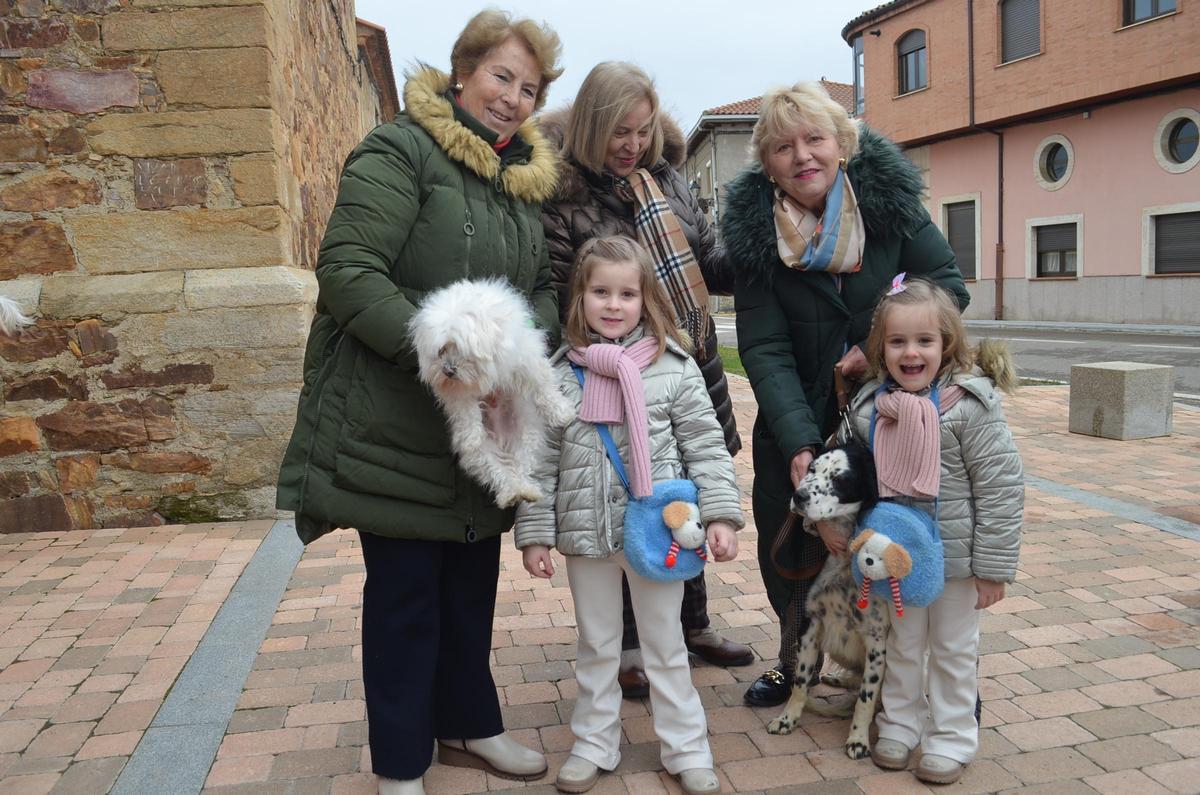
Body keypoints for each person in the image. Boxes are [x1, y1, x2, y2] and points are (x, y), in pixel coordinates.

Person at [274, 10, 563, 795]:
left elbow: (540, 286)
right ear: (464, 71)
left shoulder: (518, 184)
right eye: (502, 76)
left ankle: (469, 721)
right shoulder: (399, 150)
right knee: (405, 597)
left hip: (481, 424)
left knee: (470, 583)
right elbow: (349, 268)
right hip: (397, 415)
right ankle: (401, 763)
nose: (512, 97)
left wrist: (514, 352)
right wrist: (446, 356)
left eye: (528, 88)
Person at [719, 81, 970, 707]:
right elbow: (764, 346)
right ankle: (793, 661)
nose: (802, 156)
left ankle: (904, 677)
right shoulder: (755, 236)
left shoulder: (887, 204)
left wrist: (875, 343)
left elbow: (947, 284)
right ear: (767, 162)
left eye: (815, 139)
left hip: (887, 410)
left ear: (842, 144)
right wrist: (799, 441)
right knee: (791, 537)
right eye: (783, 146)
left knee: (891, 536)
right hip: (798, 406)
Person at [540, 62, 752, 697]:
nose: (632, 145)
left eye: (641, 130)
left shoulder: (669, 180)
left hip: (689, 366)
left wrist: (757, 242)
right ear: (590, 127)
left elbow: (709, 264)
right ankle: (633, 644)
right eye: (618, 132)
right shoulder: (562, 196)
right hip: (611, 375)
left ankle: (693, 625)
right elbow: (562, 294)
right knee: (628, 495)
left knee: (683, 489)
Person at [515, 236, 743, 795]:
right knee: (597, 646)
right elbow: (540, 460)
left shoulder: (674, 368)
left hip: (656, 531)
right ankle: (594, 743)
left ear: (646, 299)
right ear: (580, 297)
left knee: (665, 644)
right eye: (601, 292)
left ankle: (686, 748)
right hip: (587, 532)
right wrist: (535, 532)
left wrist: (719, 514)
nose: (613, 304)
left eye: (626, 293)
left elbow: (706, 447)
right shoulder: (559, 375)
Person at [838, 276, 1023, 784]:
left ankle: (951, 736)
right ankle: (900, 723)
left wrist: (993, 568)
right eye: (897, 341)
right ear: (880, 348)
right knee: (900, 644)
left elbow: (1001, 489)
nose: (911, 352)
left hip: (957, 563)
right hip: (895, 557)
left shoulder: (969, 408)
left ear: (947, 343)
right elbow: (853, 477)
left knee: (953, 650)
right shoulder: (870, 408)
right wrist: (841, 529)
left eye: (924, 340)